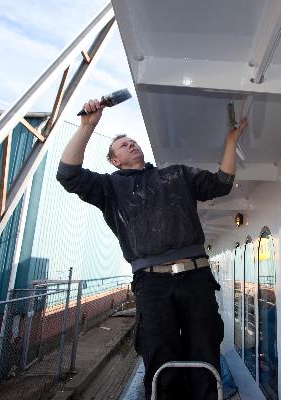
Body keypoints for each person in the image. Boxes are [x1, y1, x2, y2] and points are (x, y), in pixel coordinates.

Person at [56, 99, 247, 399]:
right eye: (122, 144)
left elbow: (221, 184)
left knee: (205, 352)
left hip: (196, 279)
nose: (130, 143)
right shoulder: (109, 189)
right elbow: (68, 174)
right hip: (152, 285)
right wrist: (87, 127)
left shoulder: (177, 174)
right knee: (161, 360)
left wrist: (231, 142)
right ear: (115, 161)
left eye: (132, 140)